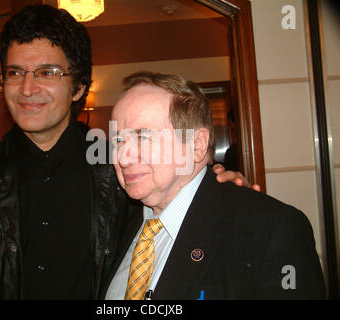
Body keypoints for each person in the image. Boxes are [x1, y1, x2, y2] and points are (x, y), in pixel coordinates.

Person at [0, 5, 252, 300]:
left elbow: (183, 207)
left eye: (47, 73)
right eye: (15, 73)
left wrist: (214, 187)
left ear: (78, 87)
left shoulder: (123, 170)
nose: (27, 88)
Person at [101, 71, 325, 300]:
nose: (123, 157)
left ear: (197, 145)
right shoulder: (115, 221)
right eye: (118, 140)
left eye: (143, 136)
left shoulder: (270, 230)